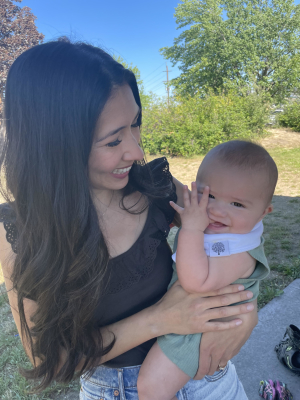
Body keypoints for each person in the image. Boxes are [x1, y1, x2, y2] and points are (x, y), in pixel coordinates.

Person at [0, 39, 257, 399]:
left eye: (135, 124)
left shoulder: (156, 186)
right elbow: (53, 361)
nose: (136, 150)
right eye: (112, 140)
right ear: (56, 144)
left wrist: (247, 313)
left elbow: (241, 228)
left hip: (209, 378)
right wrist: (161, 319)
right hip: (117, 390)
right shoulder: (20, 233)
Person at [137, 141, 278, 400]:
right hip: (193, 317)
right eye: (209, 196)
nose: (216, 209)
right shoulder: (231, 231)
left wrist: (191, 228)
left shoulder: (239, 250)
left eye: (237, 204)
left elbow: (195, 283)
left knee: (151, 387)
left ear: (263, 214)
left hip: (199, 333)